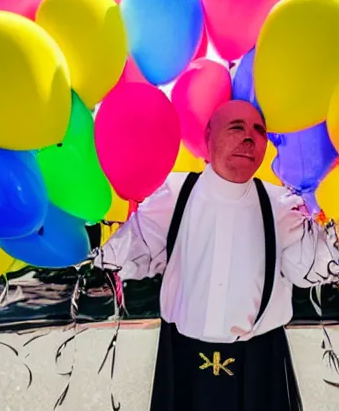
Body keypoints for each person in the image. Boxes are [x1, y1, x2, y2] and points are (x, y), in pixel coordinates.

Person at [96, 100, 339, 411]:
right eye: (236, 127)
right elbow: (127, 255)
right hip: (182, 364)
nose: (249, 138)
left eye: (259, 131)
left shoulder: (281, 205)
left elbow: (307, 267)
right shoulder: (172, 193)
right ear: (208, 136)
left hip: (259, 366)